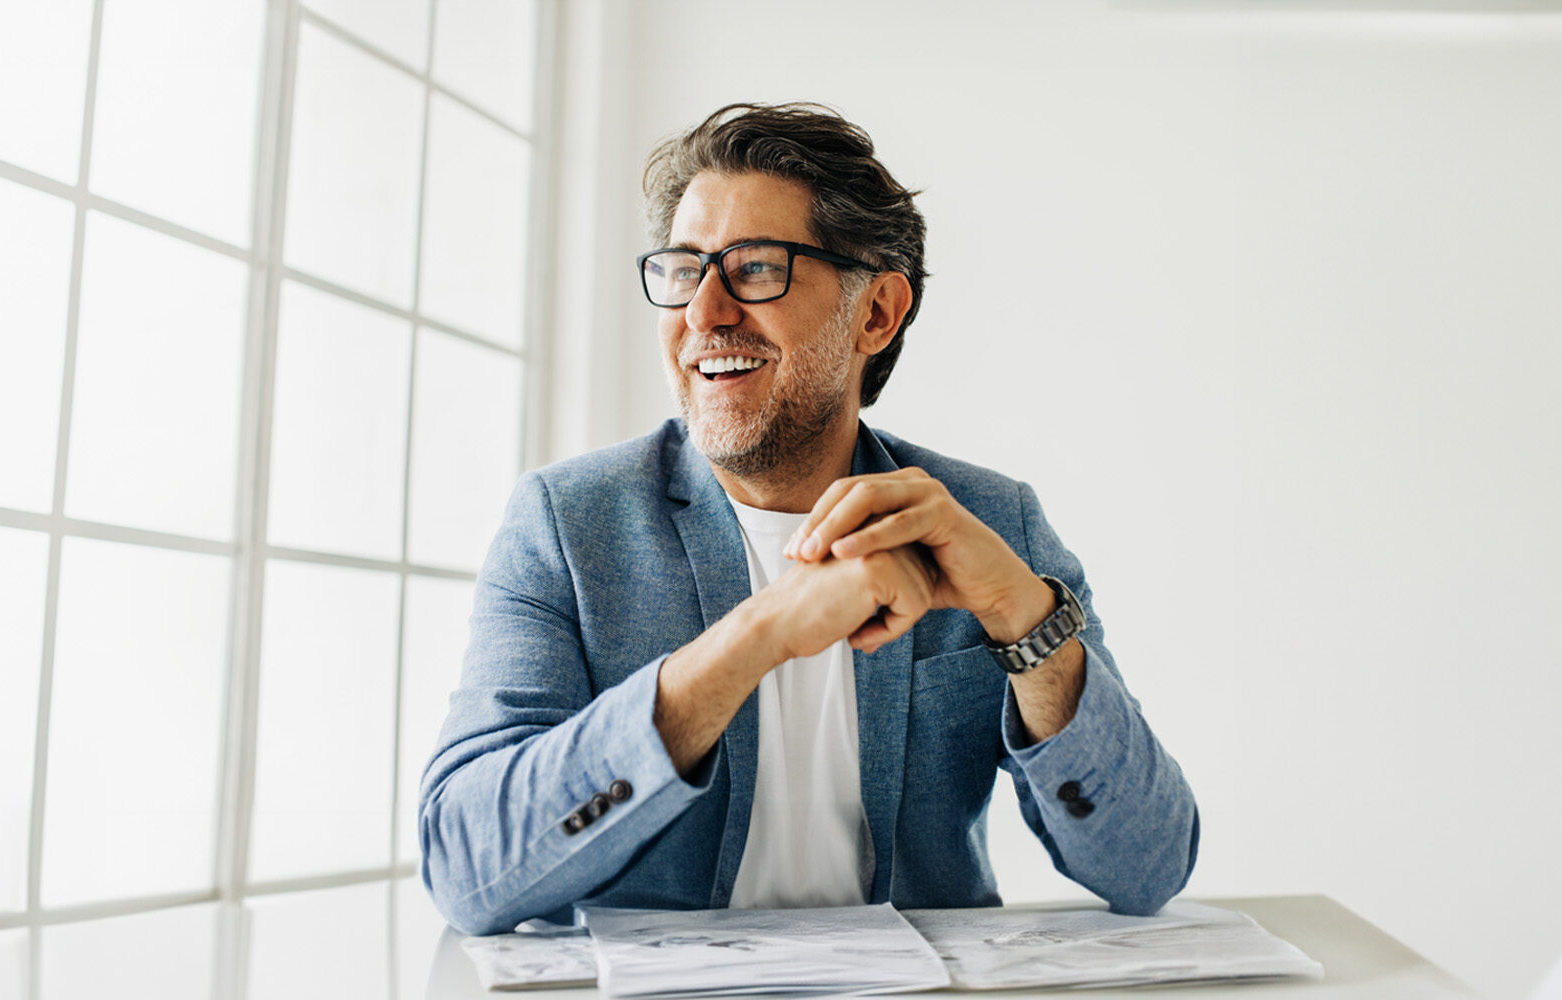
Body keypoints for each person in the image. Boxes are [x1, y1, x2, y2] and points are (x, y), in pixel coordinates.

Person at [419, 103, 1198, 936]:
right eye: (685, 269)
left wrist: (1025, 621)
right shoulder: (566, 526)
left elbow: (1146, 866)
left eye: (755, 268)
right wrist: (758, 633)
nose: (704, 312)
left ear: (877, 313)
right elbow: (468, 872)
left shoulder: (992, 523)